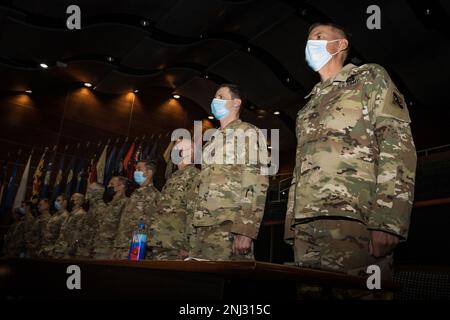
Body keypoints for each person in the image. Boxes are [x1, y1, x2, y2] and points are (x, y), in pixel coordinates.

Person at [284, 22, 417, 293]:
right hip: (306, 225)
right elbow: (299, 168)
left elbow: (396, 142)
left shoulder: (368, 77)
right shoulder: (307, 106)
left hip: (355, 220)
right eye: (308, 39)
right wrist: (291, 225)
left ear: (341, 44)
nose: (311, 44)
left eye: (319, 37)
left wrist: (389, 220)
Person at [189, 83, 269, 261]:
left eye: (220, 97)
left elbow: (256, 182)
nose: (214, 100)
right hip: (201, 227)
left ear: (236, 103)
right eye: (214, 96)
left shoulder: (247, 132)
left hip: (228, 225)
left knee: (227, 285)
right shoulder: (211, 142)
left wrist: (245, 231)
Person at [149, 139, 199, 260]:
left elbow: (195, 211)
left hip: (176, 244)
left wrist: (188, 245)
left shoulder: (195, 175)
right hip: (159, 240)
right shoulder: (173, 177)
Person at [114, 160, 160, 259]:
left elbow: (151, 224)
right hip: (121, 245)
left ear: (149, 172)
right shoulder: (136, 193)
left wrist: (141, 248)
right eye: (135, 169)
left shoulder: (153, 194)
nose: (135, 172)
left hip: (136, 248)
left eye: (139, 169)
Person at [91, 176, 129, 259]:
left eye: (111, 184)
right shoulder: (110, 204)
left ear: (121, 186)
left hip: (110, 249)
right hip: (99, 247)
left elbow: (123, 227)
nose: (108, 186)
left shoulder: (126, 203)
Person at [74, 183, 105, 259]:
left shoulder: (101, 209)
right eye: (88, 189)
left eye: (91, 190)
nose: (87, 192)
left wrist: (92, 251)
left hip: (90, 253)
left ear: (99, 192)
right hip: (82, 250)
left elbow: (100, 233)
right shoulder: (91, 209)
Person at [53, 193, 86, 258]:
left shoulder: (81, 214)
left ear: (80, 201)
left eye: (74, 198)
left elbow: (78, 234)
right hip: (61, 247)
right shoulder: (71, 213)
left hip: (68, 250)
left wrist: (72, 248)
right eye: (71, 197)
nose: (71, 199)